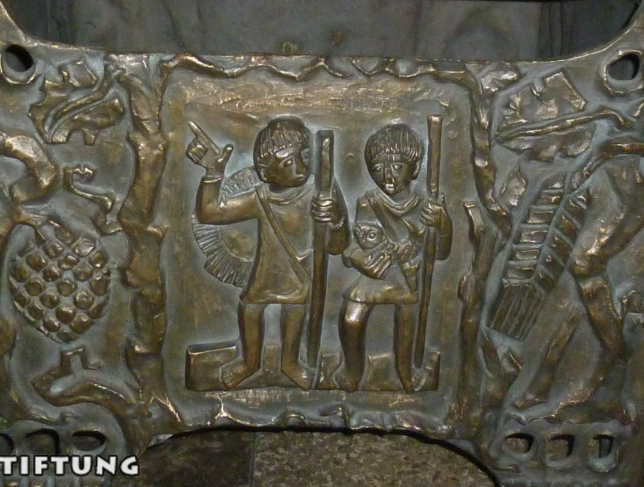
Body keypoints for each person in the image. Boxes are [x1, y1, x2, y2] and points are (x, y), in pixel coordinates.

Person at [187, 116, 346, 388]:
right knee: (251, 309)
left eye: (305, 156)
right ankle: (249, 362)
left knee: (294, 311)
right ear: (265, 172)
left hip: (299, 271)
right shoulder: (261, 198)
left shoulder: (322, 191)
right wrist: (213, 173)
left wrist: (336, 219)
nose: (300, 168)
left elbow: (337, 246)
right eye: (287, 163)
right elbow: (210, 213)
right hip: (265, 272)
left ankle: (290, 363)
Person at [337, 123, 450, 391]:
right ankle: (353, 370)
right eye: (377, 168)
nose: (387, 176)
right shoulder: (368, 202)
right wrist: (360, 257)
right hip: (375, 273)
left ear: (415, 167)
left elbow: (442, 253)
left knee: (406, 323)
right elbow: (354, 245)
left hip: (406, 277)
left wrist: (443, 225)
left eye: (397, 166)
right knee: (351, 319)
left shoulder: (427, 205)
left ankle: (405, 373)